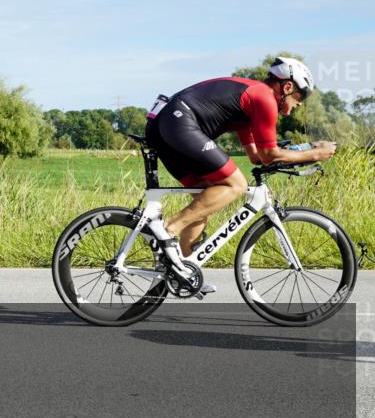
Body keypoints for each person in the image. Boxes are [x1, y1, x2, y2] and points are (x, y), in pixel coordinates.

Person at [144, 57, 337, 293]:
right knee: (236, 184)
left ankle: (183, 270)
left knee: (205, 200)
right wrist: (316, 154)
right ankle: (169, 229)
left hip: (167, 125)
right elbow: (269, 154)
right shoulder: (264, 98)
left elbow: (257, 156)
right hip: (180, 123)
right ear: (287, 87)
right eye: (300, 97)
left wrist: (305, 149)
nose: (299, 105)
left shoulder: (249, 105)